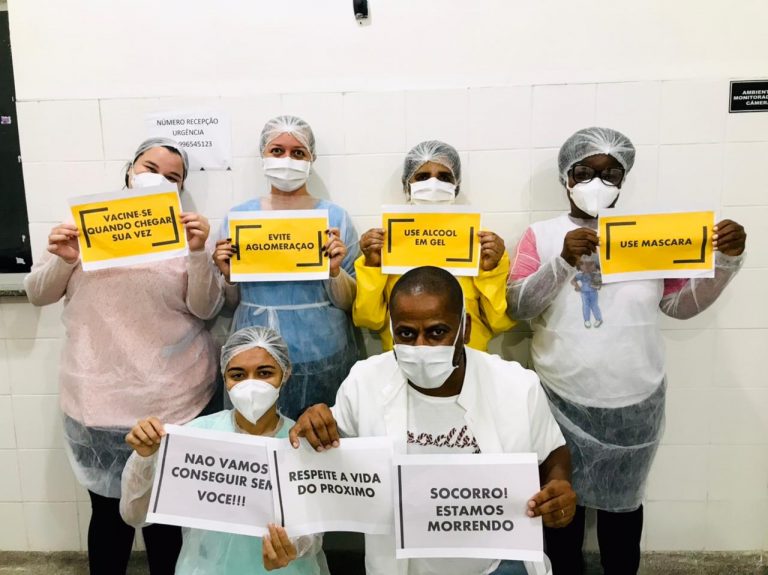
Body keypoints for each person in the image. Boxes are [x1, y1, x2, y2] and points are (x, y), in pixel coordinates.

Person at [505, 127, 747, 575]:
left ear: (623, 179)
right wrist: (561, 262)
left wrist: (725, 261)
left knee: (623, 518)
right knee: (561, 514)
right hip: (559, 399)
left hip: (633, 403)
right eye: (584, 172)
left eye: (610, 173)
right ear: (565, 176)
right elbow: (518, 305)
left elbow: (678, 306)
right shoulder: (541, 235)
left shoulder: (651, 236)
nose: (596, 182)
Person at [291, 266, 576, 575]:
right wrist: (313, 425)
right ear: (392, 330)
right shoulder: (365, 383)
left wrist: (558, 484)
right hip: (403, 566)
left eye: (437, 332)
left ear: (465, 329)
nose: (421, 348)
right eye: (406, 334)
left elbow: (553, 451)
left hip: (497, 563)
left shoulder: (517, 386)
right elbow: (327, 451)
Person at [23, 137, 223, 574]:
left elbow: (207, 308)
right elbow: (38, 294)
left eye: (173, 177)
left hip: (172, 400)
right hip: (97, 401)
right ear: (130, 169)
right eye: (150, 167)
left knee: (165, 519)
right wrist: (64, 260)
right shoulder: (84, 228)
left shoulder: (189, 237)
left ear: (181, 188)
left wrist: (197, 254)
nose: (159, 179)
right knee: (109, 518)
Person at [120, 326, 329, 575]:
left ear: (285, 373)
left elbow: (315, 530)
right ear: (224, 377)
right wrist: (145, 458)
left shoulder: (301, 443)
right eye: (238, 375)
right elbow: (135, 514)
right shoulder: (197, 436)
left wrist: (292, 547)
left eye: (264, 373)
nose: (251, 385)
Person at [213, 115, 360, 421]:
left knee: (319, 434)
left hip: (321, 351)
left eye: (298, 153)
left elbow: (350, 303)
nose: (287, 160)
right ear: (263, 155)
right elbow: (229, 305)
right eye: (277, 151)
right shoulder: (239, 219)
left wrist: (334, 272)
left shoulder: (335, 218)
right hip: (255, 356)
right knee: (260, 435)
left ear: (311, 158)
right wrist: (228, 276)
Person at [354, 140, 513, 351]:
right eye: (422, 177)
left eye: (444, 177)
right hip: (404, 357)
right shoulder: (384, 244)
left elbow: (498, 322)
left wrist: (490, 270)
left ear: (456, 185)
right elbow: (369, 320)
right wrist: (372, 265)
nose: (433, 184)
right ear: (407, 184)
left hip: (466, 358)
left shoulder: (482, 245)